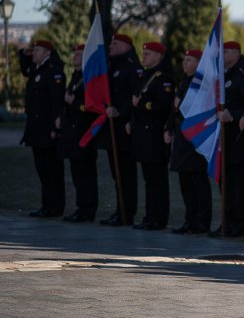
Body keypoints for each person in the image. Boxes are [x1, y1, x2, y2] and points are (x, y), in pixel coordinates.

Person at [213, 41, 244, 237]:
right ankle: (226, 221)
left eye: (228, 51)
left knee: (237, 182)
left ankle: (238, 224)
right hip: (222, 137)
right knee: (224, 182)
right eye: (223, 51)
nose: (224, 55)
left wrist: (234, 115)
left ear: (238, 53)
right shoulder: (221, 76)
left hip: (237, 136)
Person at [130, 42, 175, 230]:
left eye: (148, 54)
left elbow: (163, 106)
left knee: (158, 179)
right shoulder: (146, 75)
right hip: (144, 135)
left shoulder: (163, 77)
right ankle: (149, 216)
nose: (144, 56)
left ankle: (159, 217)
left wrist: (141, 105)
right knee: (149, 179)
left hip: (156, 134)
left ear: (158, 56)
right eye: (144, 53)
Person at [99, 33, 142, 226]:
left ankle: (127, 212)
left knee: (126, 174)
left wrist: (120, 111)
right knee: (117, 174)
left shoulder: (132, 68)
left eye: (115, 44)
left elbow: (136, 98)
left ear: (126, 45)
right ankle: (120, 210)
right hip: (112, 128)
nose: (110, 47)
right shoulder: (112, 66)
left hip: (125, 128)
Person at [19, 40, 66, 218]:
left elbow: (56, 101)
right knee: (42, 170)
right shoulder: (38, 70)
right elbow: (25, 70)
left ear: (47, 53)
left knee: (52, 170)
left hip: (47, 129)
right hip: (36, 129)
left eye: (38, 50)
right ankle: (46, 205)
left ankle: (55, 207)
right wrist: (24, 54)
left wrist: (55, 124)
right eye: (34, 50)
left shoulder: (53, 71)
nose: (34, 54)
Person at [167, 49, 211, 234]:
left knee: (198, 184)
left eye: (189, 60)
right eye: (184, 60)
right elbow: (175, 110)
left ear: (199, 63)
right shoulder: (184, 82)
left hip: (195, 141)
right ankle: (189, 220)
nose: (184, 63)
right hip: (182, 138)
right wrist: (168, 128)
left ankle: (201, 222)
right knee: (186, 184)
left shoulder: (201, 84)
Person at [58, 44, 99, 222]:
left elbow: (90, 106)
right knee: (77, 174)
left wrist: (73, 102)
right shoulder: (76, 76)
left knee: (86, 174)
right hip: (72, 133)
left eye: (78, 54)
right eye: (74, 53)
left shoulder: (89, 78)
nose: (74, 56)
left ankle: (88, 210)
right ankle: (81, 207)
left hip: (84, 132)